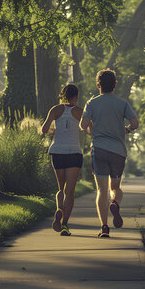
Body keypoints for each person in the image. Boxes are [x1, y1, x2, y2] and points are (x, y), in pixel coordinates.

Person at [80, 69, 139, 238]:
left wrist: (93, 128)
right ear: (114, 85)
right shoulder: (122, 103)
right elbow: (135, 123)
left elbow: (83, 126)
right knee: (116, 188)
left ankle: (104, 227)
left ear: (98, 85)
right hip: (118, 152)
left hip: (99, 149)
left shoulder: (92, 103)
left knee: (101, 190)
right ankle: (115, 203)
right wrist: (126, 129)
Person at [41, 84, 84, 236]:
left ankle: (59, 208)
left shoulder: (55, 109)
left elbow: (44, 129)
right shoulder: (79, 112)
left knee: (61, 188)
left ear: (63, 95)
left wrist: (55, 130)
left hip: (57, 151)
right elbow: (88, 128)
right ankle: (65, 224)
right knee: (70, 192)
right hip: (74, 152)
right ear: (76, 96)